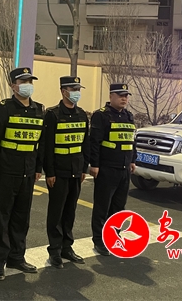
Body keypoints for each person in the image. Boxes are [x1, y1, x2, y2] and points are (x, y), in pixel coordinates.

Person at [0, 67, 45, 281]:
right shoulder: (4, 108)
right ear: (13, 86)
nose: (27, 85)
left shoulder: (39, 110)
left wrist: (38, 168)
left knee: (22, 217)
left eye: (30, 81)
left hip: (28, 172)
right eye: (23, 81)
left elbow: (41, 143)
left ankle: (17, 257)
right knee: (2, 218)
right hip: (6, 171)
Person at [43, 76, 90, 269]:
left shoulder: (82, 114)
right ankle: (54, 250)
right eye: (73, 89)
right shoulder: (53, 114)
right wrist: (49, 172)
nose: (76, 92)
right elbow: (47, 146)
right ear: (63, 91)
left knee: (70, 210)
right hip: (59, 172)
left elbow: (85, 144)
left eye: (78, 89)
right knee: (57, 212)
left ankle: (66, 247)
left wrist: (84, 168)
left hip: (76, 171)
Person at [89, 83, 136, 256]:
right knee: (102, 207)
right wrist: (94, 164)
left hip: (124, 169)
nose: (124, 98)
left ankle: (113, 236)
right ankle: (99, 240)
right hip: (107, 168)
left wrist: (133, 160)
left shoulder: (128, 116)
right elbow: (94, 142)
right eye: (120, 95)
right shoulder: (101, 115)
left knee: (118, 207)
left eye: (126, 96)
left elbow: (132, 140)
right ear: (111, 96)